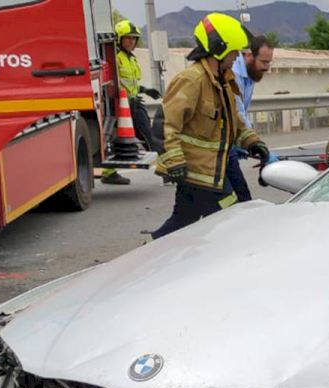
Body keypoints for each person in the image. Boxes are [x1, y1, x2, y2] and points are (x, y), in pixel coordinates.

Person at [151, 13, 271, 240]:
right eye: (233, 52)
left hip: (210, 173)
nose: (236, 57)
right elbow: (166, 124)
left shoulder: (223, 81)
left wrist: (253, 143)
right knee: (231, 217)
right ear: (218, 49)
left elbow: (234, 121)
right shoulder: (192, 80)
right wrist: (174, 161)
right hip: (196, 173)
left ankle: (148, 252)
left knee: (181, 223)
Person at [103, 20, 165, 185]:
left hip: (132, 103)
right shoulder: (116, 58)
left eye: (134, 38)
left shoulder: (131, 59)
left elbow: (131, 84)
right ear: (119, 39)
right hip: (120, 105)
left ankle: (164, 168)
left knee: (147, 135)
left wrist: (144, 90)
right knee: (119, 138)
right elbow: (114, 83)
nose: (131, 41)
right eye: (128, 38)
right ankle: (110, 173)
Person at [227, 34, 275, 202]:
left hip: (228, 143)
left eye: (269, 62)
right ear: (249, 55)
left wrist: (244, 143)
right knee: (240, 199)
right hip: (219, 147)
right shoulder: (233, 74)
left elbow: (241, 115)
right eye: (264, 62)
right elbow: (238, 112)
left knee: (237, 198)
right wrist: (253, 144)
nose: (266, 67)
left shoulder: (250, 74)